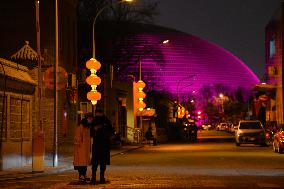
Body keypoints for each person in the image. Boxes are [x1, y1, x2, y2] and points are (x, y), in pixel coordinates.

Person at [90, 109, 113, 184]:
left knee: (102, 162)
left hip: (104, 144)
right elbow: (91, 132)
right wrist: (95, 129)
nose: (98, 115)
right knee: (95, 162)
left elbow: (111, 131)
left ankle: (101, 177)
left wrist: (103, 128)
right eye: (97, 113)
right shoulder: (94, 121)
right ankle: (94, 177)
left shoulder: (106, 121)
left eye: (99, 113)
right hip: (97, 144)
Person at [73, 113, 92, 182]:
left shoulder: (87, 127)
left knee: (84, 162)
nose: (91, 120)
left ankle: (84, 174)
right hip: (80, 147)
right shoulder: (81, 126)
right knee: (81, 162)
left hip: (85, 147)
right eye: (90, 119)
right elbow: (78, 136)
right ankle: (81, 175)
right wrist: (79, 144)